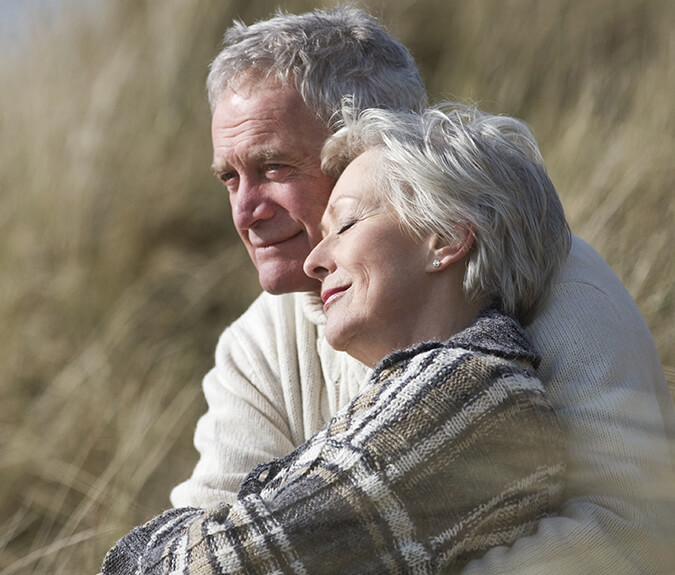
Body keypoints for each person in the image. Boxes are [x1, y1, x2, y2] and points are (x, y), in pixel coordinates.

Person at [168, 6, 675, 574]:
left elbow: (635, 532)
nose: (244, 211)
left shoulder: (558, 285)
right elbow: (206, 542)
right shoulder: (255, 346)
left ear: (374, 148)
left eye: (274, 167)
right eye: (229, 178)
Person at [101, 103, 568, 574]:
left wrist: (156, 544)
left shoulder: (468, 394)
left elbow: (219, 565)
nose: (313, 261)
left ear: (444, 238)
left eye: (344, 225)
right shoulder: (441, 387)